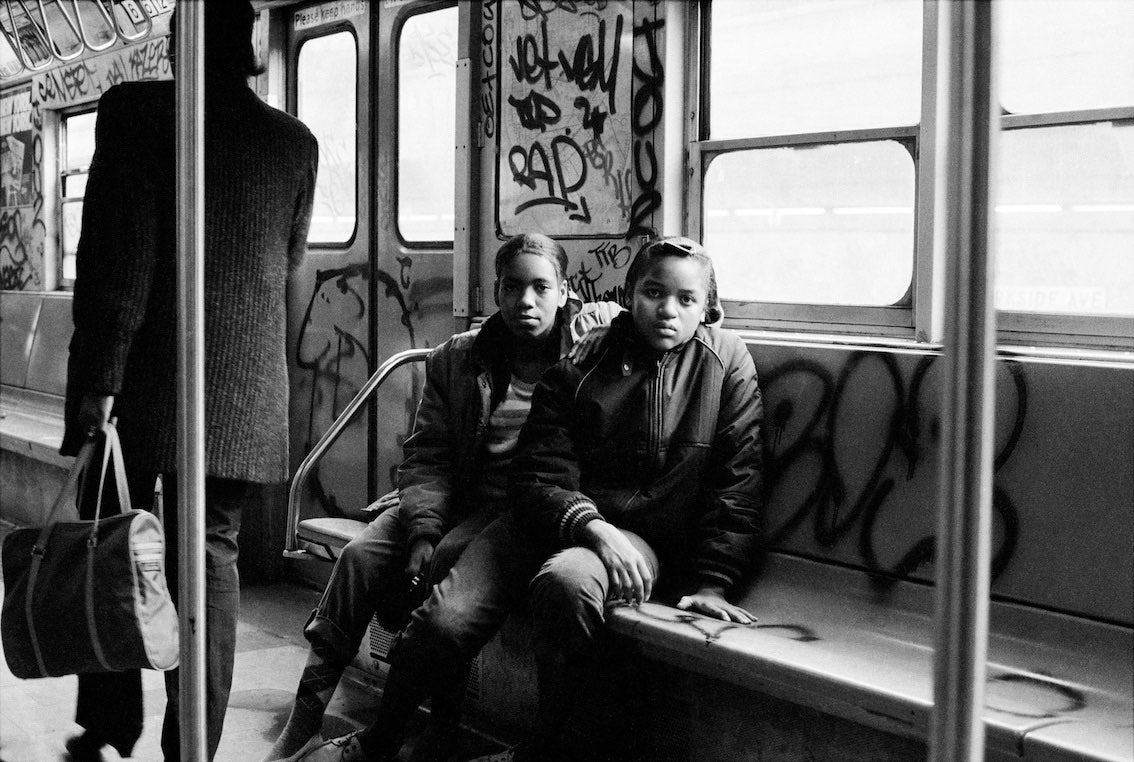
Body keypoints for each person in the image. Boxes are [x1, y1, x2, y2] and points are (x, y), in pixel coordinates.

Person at [305, 236, 763, 762]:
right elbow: (538, 474)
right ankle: (379, 741)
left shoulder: (725, 364)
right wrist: (591, 525)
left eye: (686, 300)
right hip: (561, 517)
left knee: (566, 584)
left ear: (709, 308)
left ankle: (542, 752)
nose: (667, 310)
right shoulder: (582, 360)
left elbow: (738, 481)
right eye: (652, 292)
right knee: (443, 619)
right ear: (629, 295)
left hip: (640, 530)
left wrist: (713, 581)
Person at [59, 3, 318, 759]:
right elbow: (289, 256)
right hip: (243, 387)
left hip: (138, 380)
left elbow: (119, 257)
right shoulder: (292, 143)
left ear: (180, 41)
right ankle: (193, 744)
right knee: (211, 556)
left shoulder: (136, 113)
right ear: (250, 49)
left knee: (111, 540)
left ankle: (109, 721)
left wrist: (100, 380)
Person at [264, 233, 619, 762]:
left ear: (565, 291)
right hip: (455, 495)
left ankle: (440, 727)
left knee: (446, 570)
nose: (526, 301)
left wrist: (610, 316)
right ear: (494, 292)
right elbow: (428, 455)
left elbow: (657, 313)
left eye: (542, 287)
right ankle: (307, 717)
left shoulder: (587, 349)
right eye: (512, 287)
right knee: (361, 557)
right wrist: (422, 531)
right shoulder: (460, 357)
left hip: (520, 508)